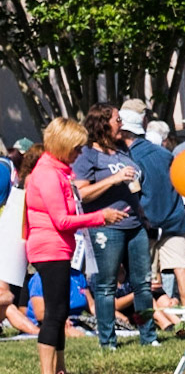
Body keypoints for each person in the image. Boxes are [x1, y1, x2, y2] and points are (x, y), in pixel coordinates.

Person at [25, 118, 128, 374]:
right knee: (55, 313)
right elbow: (61, 220)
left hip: (59, 248)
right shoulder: (47, 174)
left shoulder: (60, 172)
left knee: (60, 312)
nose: (79, 154)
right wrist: (100, 217)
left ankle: (59, 371)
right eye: (76, 148)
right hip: (49, 249)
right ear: (62, 145)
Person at [72, 103, 158, 350]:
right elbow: (83, 193)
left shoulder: (121, 149)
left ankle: (148, 336)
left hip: (135, 225)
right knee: (106, 284)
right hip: (106, 227)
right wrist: (114, 178)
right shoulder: (87, 154)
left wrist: (141, 214)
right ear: (102, 124)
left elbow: (132, 186)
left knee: (143, 283)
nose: (121, 124)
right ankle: (108, 340)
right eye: (117, 119)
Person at [121, 106, 185, 310]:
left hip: (148, 222)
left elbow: (133, 190)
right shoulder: (164, 153)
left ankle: (152, 319)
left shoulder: (129, 157)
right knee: (181, 267)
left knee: (146, 274)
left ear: (125, 131)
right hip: (175, 217)